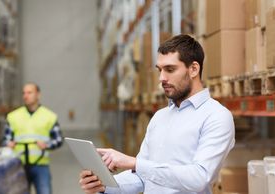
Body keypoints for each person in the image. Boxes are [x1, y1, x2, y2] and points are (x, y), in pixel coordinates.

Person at [79, 34, 235, 194]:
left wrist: (135, 163)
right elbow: (142, 177)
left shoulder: (216, 116)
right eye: (160, 70)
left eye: (170, 69)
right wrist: (104, 185)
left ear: (194, 69)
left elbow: (199, 178)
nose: (161, 78)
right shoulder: (160, 117)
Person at [3, 83, 63, 194]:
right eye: (24, 93)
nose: (25, 96)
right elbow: (6, 139)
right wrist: (8, 144)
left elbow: (59, 139)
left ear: (38, 95)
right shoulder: (13, 116)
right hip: (18, 166)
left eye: (29, 92)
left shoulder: (49, 116)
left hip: (40, 165)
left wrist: (47, 145)